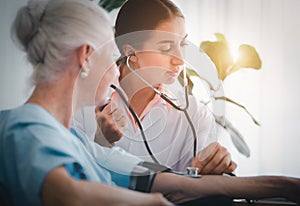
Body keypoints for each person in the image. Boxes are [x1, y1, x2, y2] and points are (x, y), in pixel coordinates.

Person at [1, 0, 300, 206]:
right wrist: (152, 203)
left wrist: (287, 187)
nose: (117, 64)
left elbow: (183, 184)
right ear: (86, 56)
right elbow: (66, 196)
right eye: (111, 50)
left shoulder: (78, 142)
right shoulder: (25, 126)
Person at [76, 0, 237, 174]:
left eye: (182, 44)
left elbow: (198, 181)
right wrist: (101, 142)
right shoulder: (82, 102)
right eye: (167, 48)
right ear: (131, 52)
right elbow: (68, 176)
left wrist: (216, 163)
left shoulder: (194, 114)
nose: (180, 59)